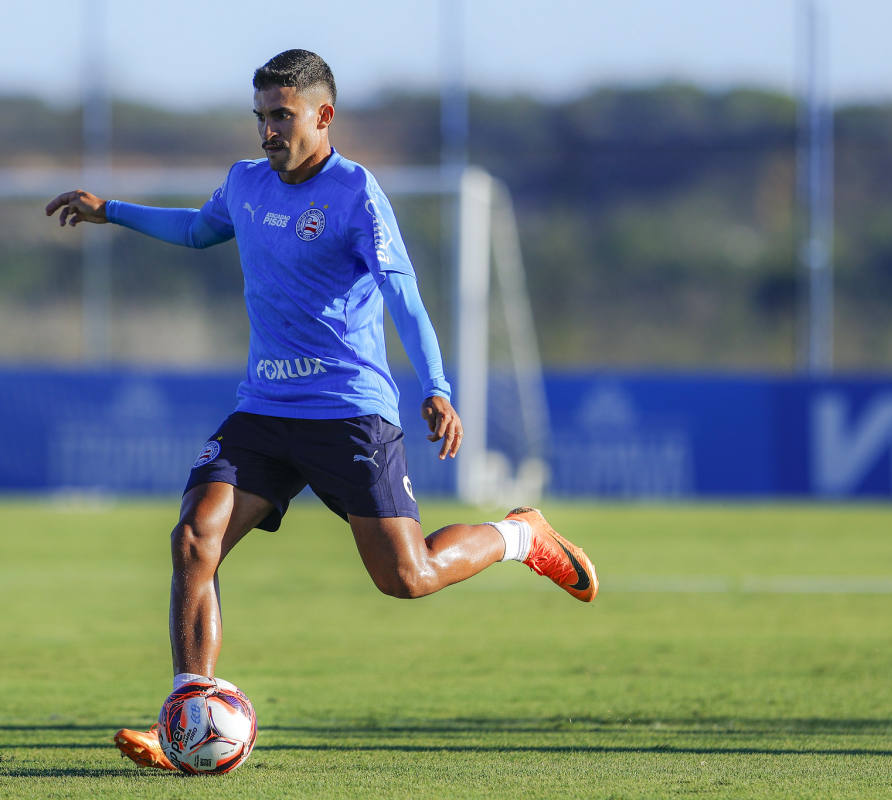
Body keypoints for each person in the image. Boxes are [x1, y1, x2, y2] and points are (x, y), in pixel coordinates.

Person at [46, 48, 598, 770]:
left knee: (407, 578)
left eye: (281, 116)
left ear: (322, 115)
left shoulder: (356, 195)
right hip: (266, 410)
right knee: (193, 541)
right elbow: (194, 231)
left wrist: (437, 386)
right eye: (261, 117)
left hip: (348, 413)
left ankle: (522, 535)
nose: (267, 131)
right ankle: (189, 710)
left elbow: (404, 296)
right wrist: (109, 211)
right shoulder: (245, 185)